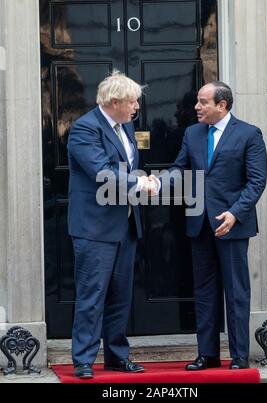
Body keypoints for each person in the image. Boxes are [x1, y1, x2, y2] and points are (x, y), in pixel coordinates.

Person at [150, 81, 267, 370]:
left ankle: (239, 356)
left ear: (221, 105)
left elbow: (256, 181)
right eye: (198, 102)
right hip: (199, 223)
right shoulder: (192, 133)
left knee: (236, 292)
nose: (197, 107)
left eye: (203, 102)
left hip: (232, 225)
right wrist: (161, 181)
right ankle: (208, 354)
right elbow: (180, 167)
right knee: (204, 291)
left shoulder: (249, 134)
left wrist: (236, 213)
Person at [68, 70, 151, 378]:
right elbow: (103, 174)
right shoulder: (85, 129)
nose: (136, 108)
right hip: (94, 229)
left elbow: (124, 170)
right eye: (132, 102)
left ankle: (116, 356)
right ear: (114, 101)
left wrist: (139, 182)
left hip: (125, 226)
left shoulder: (124, 128)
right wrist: (142, 185)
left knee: (120, 296)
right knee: (92, 296)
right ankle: (84, 360)